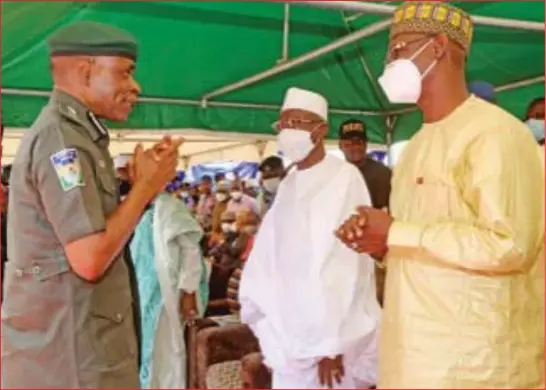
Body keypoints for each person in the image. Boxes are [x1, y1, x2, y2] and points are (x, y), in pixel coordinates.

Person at [336, 3, 544, 388]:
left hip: (477, 367)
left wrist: (396, 232)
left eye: (398, 49)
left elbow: (511, 245)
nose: (389, 62)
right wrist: (378, 242)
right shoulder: (415, 145)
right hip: (412, 356)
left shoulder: (495, 134)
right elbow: (423, 241)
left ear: (437, 47)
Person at [1, 21, 183, 388]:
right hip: (70, 361)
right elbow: (89, 258)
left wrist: (133, 187)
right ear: (85, 72)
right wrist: (145, 189)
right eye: (125, 73)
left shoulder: (80, 136)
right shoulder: (62, 141)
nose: (136, 87)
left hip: (81, 350)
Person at [239, 87, 380, 389]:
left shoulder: (344, 177)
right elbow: (272, 252)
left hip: (330, 343)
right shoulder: (289, 182)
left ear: (321, 130)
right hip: (291, 336)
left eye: (298, 122)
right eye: (284, 123)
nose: (289, 130)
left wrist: (333, 345)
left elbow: (348, 265)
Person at [130, 182, 209, 389]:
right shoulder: (144, 210)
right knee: (148, 352)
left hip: (165, 297)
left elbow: (190, 251)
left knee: (166, 353)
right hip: (144, 294)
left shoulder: (170, 207)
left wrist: (189, 292)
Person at [338, 119, 392, 210]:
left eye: (359, 142)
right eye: (349, 143)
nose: (355, 147)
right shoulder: (336, 174)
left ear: (366, 144)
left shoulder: (382, 174)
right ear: (340, 145)